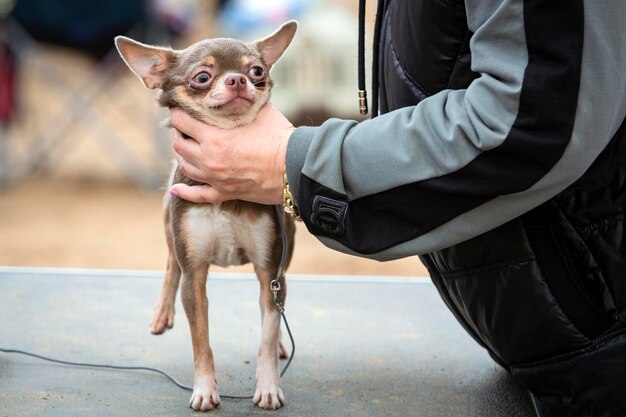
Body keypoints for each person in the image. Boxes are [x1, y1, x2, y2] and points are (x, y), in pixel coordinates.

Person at [169, 1, 626, 415]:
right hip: (544, 328)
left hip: (599, 341)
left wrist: (296, 164)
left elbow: (531, 117)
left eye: (256, 72)